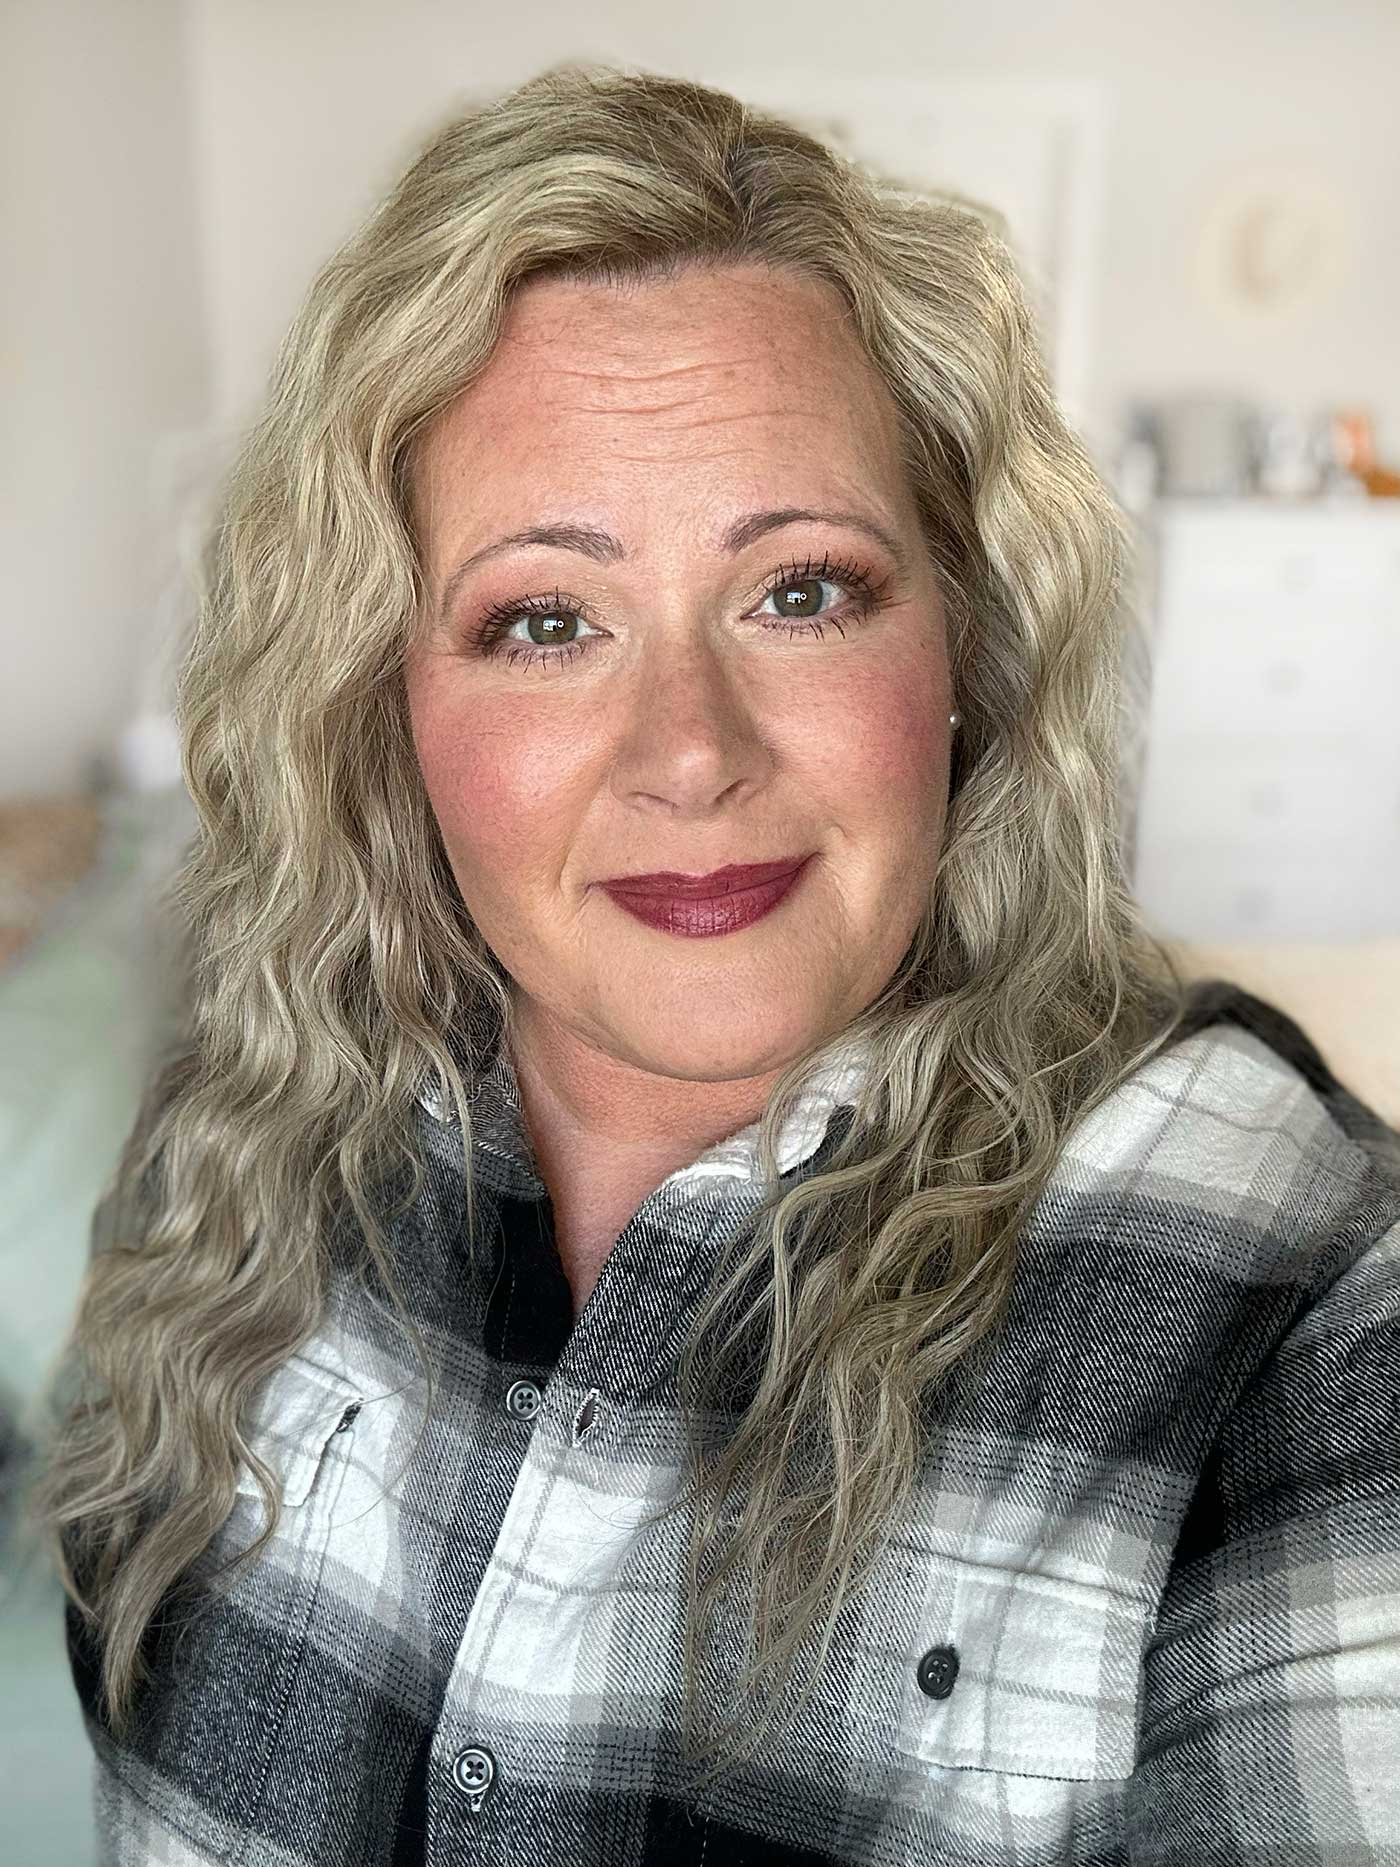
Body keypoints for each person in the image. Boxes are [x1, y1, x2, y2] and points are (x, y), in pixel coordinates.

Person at [27, 62, 1400, 1867]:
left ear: (968, 647)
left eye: (803, 591)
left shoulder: (1302, 1303)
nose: (690, 750)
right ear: (384, 700)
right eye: (544, 619)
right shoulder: (256, 1110)